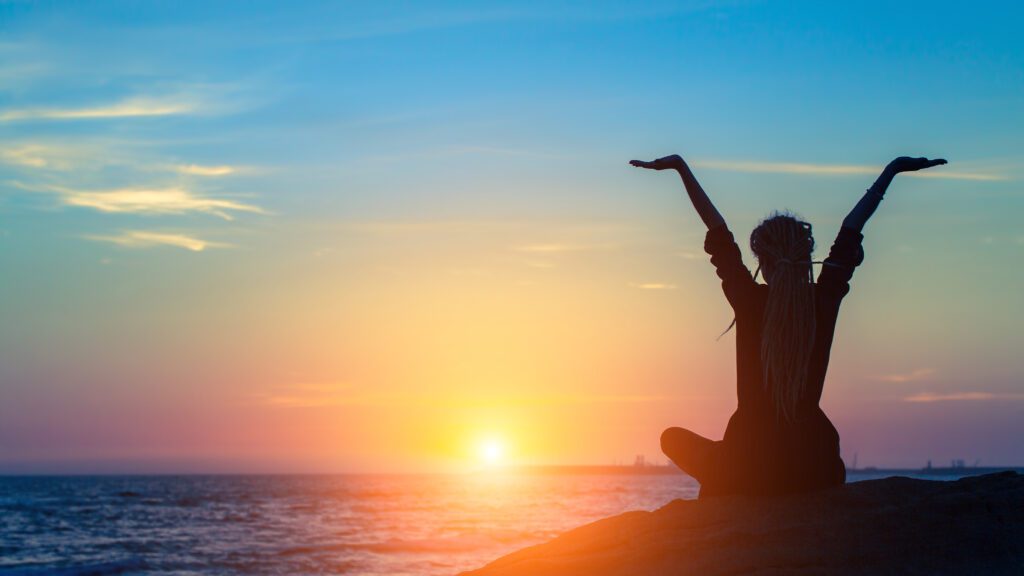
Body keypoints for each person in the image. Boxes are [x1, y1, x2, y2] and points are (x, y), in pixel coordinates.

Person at [629, 153, 947, 497]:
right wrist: (891, 172)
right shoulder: (822, 300)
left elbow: (717, 232)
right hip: (814, 467)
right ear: (805, 255)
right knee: (726, 452)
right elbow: (851, 230)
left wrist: (681, 168)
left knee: (671, 439)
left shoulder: (749, 300)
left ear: (762, 261)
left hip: (746, 466)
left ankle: (724, 491)